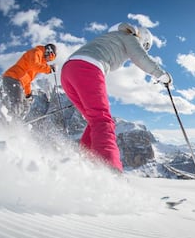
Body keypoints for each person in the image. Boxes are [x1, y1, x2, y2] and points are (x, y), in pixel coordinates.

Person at [61, 23, 172, 173]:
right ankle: (110, 170)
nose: (143, 49)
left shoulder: (112, 36)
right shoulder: (129, 37)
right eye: (145, 46)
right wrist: (161, 75)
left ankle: (84, 164)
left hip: (68, 70)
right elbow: (140, 57)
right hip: (88, 67)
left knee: (94, 121)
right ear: (143, 39)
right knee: (103, 121)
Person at [2, 44, 57, 119]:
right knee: (18, 102)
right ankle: (8, 122)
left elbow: (27, 80)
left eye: (51, 59)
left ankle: (16, 120)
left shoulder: (40, 63)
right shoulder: (36, 52)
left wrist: (28, 94)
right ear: (48, 51)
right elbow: (34, 65)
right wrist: (49, 69)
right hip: (13, 78)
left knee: (25, 105)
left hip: (18, 81)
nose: (49, 60)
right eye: (50, 57)